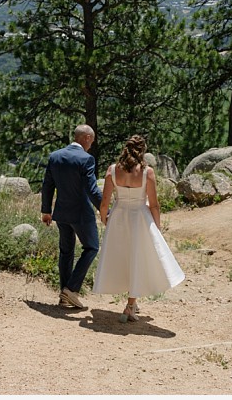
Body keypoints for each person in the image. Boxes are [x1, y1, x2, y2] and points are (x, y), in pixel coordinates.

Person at [92, 134, 185, 323]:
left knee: (123, 257)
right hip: (139, 218)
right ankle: (130, 306)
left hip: (118, 217)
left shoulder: (111, 170)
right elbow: (154, 205)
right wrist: (156, 227)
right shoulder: (146, 172)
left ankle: (132, 303)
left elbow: (104, 202)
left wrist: (105, 219)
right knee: (138, 258)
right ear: (142, 151)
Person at [40, 124, 103, 309]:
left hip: (61, 213)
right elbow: (92, 190)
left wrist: (46, 211)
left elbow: (47, 186)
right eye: (91, 140)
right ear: (86, 138)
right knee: (91, 247)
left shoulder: (55, 156)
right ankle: (71, 289)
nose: (91, 144)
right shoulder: (86, 159)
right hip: (81, 213)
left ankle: (64, 295)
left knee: (66, 252)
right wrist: (106, 210)